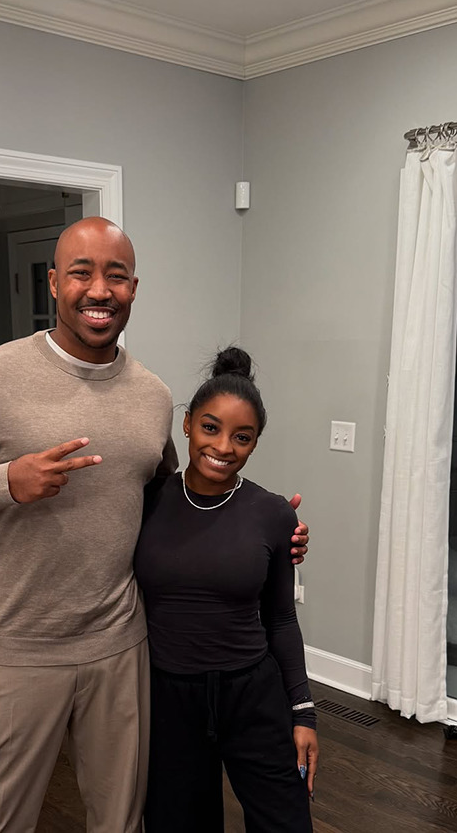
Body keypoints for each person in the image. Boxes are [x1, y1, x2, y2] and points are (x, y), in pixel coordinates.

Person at [0, 217, 309, 833]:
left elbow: (176, 496)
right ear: (54, 282)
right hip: (15, 654)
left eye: (116, 275)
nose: (99, 289)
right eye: (81, 272)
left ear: (134, 288)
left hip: (122, 650)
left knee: (122, 822)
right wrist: (3, 483)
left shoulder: (152, 396)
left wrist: (267, 533)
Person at [135, 346, 318, 833]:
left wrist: (303, 712)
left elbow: (280, 618)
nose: (223, 446)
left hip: (252, 696)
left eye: (242, 436)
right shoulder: (146, 502)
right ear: (187, 424)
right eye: (211, 428)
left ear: (255, 443)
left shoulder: (274, 514)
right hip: (167, 699)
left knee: (287, 822)